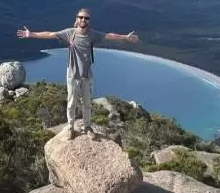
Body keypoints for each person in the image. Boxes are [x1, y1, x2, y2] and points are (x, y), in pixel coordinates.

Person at [17, 9, 140, 139]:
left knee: (87, 104)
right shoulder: (69, 33)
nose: (83, 20)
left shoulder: (92, 34)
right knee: (71, 103)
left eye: (86, 18)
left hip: (86, 75)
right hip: (72, 74)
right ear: (77, 19)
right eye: (81, 17)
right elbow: (50, 34)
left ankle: (87, 127)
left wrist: (126, 38)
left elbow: (109, 36)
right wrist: (31, 34)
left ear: (89, 21)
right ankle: (70, 127)